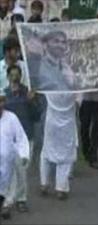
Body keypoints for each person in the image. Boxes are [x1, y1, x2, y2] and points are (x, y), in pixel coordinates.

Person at [1, 65, 39, 217]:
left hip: (25, 137)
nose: (14, 78)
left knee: (22, 172)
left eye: (17, 75)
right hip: (8, 142)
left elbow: (37, 116)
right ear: (8, 76)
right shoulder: (4, 94)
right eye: (12, 75)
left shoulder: (28, 93)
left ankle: (21, 199)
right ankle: (7, 203)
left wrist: (31, 101)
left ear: (21, 76)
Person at [40, 93, 78, 200]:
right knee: (66, 154)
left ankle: (44, 183)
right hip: (67, 123)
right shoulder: (73, 84)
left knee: (46, 151)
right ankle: (61, 187)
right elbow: (79, 102)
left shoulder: (50, 84)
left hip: (51, 122)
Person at [0, 90, 29, 223]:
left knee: (9, 184)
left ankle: (6, 206)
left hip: (8, 161)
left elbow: (21, 137)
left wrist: (23, 154)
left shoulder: (11, 118)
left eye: (1, 100)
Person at [79, 91, 98, 169]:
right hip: (85, 98)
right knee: (84, 125)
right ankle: (85, 150)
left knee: (97, 126)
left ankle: (94, 155)